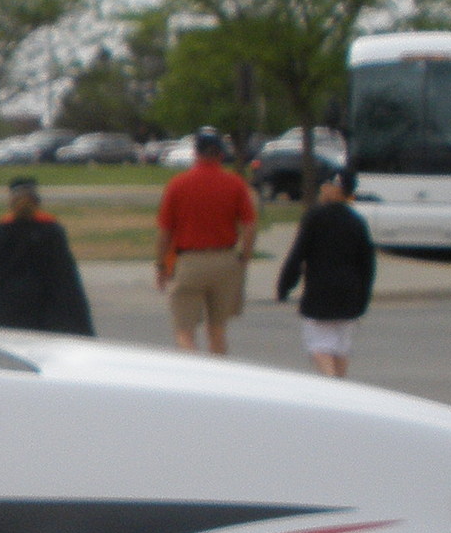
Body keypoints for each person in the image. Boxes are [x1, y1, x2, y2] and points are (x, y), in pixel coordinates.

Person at [155, 126, 259, 355]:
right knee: (218, 330)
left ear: (196, 153)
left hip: (190, 262)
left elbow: (165, 231)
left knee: (184, 331)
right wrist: (244, 256)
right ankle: (218, 377)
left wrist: (161, 265)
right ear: (221, 154)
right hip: (225, 260)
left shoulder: (178, 185)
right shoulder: (235, 184)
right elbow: (250, 225)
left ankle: (195, 372)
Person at [275, 166, 375, 377]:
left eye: (326, 185)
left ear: (337, 190)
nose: (323, 189)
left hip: (320, 292)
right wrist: (363, 297)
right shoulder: (356, 221)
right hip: (350, 294)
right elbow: (367, 264)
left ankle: (331, 382)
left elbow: (298, 254)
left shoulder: (315, 218)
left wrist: (284, 286)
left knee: (319, 347)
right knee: (341, 347)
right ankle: (340, 387)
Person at [0, 176, 94, 335]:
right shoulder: (51, 230)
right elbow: (66, 277)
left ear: (11, 201)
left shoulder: (2, 230)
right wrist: (81, 322)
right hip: (44, 314)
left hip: (6, 313)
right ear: (37, 201)